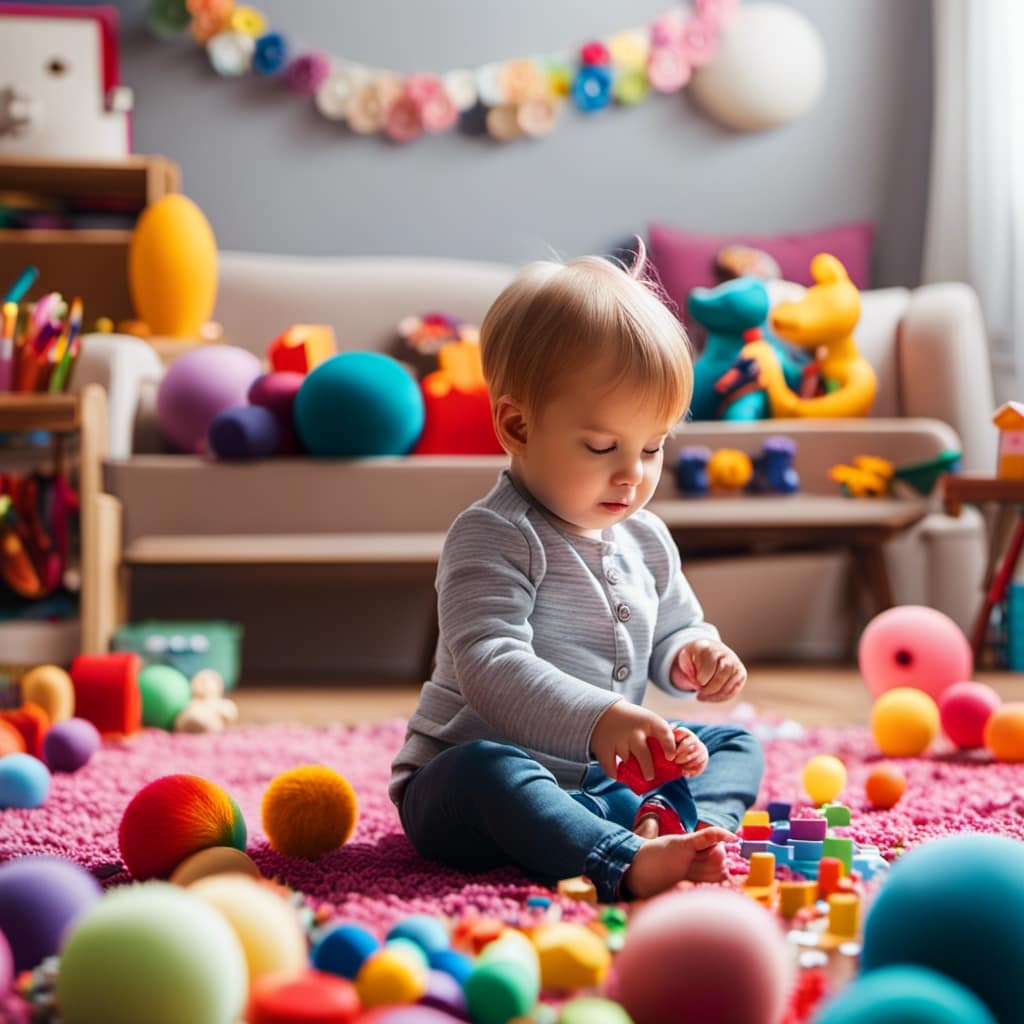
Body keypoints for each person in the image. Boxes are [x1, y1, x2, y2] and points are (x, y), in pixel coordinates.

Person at [389, 246, 764, 901]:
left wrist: (693, 655)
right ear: (517, 424)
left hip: (598, 778)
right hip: (466, 789)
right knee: (486, 770)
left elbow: (674, 627)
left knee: (732, 741)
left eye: (652, 447)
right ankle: (621, 858)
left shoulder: (646, 537)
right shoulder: (494, 534)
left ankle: (682, 829)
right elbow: (491, 664)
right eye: (601, 447)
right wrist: (600, 720)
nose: (632, 473)